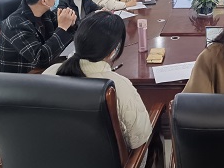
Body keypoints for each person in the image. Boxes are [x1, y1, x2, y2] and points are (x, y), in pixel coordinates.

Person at [43, 11, 153, 151]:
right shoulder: (117, 86)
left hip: (53, 155)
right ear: (114, 51)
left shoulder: (49, 73)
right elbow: (139, 139)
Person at [0, 0, 77, 73]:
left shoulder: (45, 13)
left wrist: (71, 25)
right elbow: (40, 59)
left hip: (42, 67)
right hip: (20, 76)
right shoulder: (16, 24)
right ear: (44, 1)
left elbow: (62, 37)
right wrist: (62, 28)